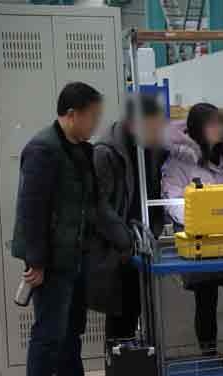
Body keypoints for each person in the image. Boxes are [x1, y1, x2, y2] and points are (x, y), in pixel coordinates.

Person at [12, 82, 106, 376]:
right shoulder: (43, 150)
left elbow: (91, 204)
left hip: (74, 254)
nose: (95, 124)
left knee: (71, 328)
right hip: (49, 261)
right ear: (72, 114)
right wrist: (36, 262)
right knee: (49, 332)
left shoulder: (79, 150)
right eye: (92, 117)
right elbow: (31, 211)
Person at [162, 103, 223, 356]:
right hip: (201, 246)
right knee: (205, 304)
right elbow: (172, 201)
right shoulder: (178, 162)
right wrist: (203, 218)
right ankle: (209, 359)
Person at [89, 94, 168, 341]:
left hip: (144, 243)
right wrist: (123, 238)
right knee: (121, 318)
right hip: (118, 248)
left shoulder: (151, 148)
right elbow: (98, 207)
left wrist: (154, 230)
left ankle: (142, 361)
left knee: (141, 310)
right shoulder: (105, 152)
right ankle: (119, 362)